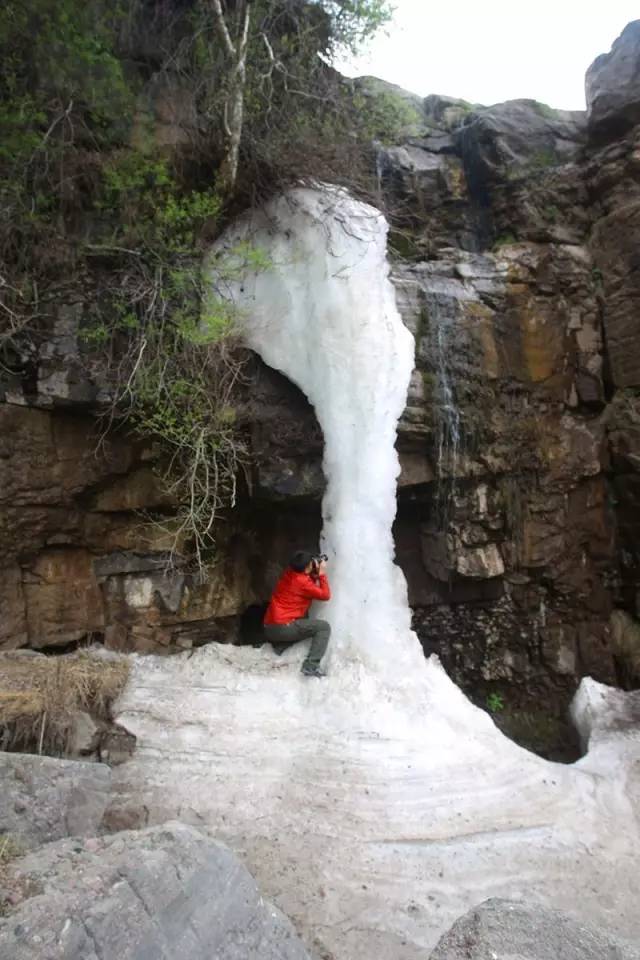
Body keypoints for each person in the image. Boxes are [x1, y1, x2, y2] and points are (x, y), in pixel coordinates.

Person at [263, 550, 331, 677]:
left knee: (302, 620)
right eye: (311, 563)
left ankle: (281, 646)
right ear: (306, 568)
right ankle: (311, 666)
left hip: (269, 627)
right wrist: (321, 574)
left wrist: (313, 571)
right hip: (283, 628)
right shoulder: (302, 582)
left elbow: (304, 580)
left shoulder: (289, 573)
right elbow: (325, 595)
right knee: (323, 627)